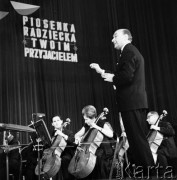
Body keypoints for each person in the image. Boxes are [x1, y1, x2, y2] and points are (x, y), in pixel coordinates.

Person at [90, 29, 154, 171]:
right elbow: (122, 76)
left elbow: (125, 76)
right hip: (132, 102)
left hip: (132, 103)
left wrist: (113, 78)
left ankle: (150, 172)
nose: (112, 40)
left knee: (137, 140)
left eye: (115, 36)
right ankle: (146, 171)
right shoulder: (129, 51)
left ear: (126, 36)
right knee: (135, 140)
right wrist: (102, 72)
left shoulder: (129, 51)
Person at [73, 105, 116, 180]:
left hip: (103, 151)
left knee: (97, 162)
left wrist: (97, 127)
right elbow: (77, 134)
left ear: (92, 117)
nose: (85, 121)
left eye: (86, 119)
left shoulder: (101, 122)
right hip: (92, 151)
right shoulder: (87, 125)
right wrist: (78, 139)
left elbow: (111, 134)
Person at [146, 111, 177, 175]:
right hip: (161, 154)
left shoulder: (165, 124)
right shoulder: (151, 130)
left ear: (154, 117)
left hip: (170, 152)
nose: (147, 119)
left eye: (148, 117)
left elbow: (172, 132)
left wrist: (157, 128)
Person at [50, 115, 76, 180]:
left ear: (61, 121)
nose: (56, 122)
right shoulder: (52, 134)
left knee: (64, 159)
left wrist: (62, 135)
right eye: (54, 121)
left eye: (58, 120)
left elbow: (74, 143)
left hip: (67, 154)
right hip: (55, 154)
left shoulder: (68, 132)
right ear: (52, 124)